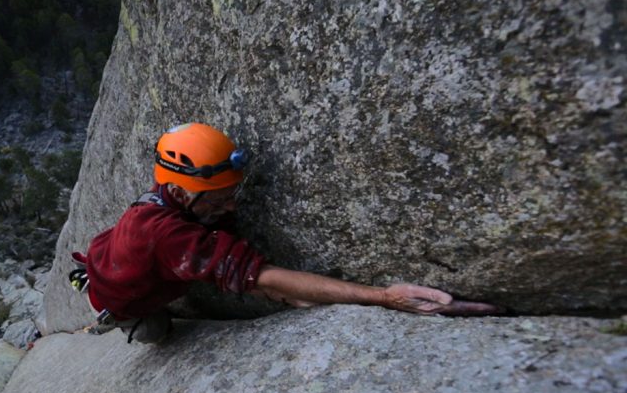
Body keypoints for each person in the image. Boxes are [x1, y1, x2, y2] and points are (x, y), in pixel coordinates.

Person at [71, 122, 498, 344]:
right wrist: (384, 297)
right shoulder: (167, 236)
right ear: (182, 191)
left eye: (232, 193)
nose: (232, 206)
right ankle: (109, 312)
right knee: (157, 333)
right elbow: (262, 275)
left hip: (109, 253)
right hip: (123, 298)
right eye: (219, 199)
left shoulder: (166, 195)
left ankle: (92, 276)